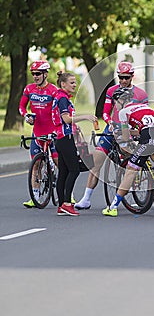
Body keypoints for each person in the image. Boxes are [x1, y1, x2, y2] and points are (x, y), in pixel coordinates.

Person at [75, 61, 148, 210]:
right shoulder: (112, 91)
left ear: (132, 76)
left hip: (130, 130)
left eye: (126, 78)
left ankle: (137, 180)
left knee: (133, 158)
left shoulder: (141, 94)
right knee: (96, 162)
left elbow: (144, 113)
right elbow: (105, 112)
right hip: (112, 128)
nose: (123, 81)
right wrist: (110, 123)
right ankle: (86, 198)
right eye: (120, 77)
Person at [102, 88, 154, 217]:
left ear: (120, 101)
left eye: (116, 102)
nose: (115, 106)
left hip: (148, 135)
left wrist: (120, 134)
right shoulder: (143, 106)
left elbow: (126, 138)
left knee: (131, 170)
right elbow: (142, 129)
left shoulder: (123, 112)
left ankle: (113, 206)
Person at [52, 71, 97, 216]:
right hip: (65, 139)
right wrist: (85, 116)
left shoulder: (61, 97)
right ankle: (66, 203)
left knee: (64, 172)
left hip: (61, 138)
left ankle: (61, 206)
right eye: (71, 82)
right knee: (74, 170)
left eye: (75, 82)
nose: (74, 84)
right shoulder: (63, 98)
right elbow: (65, 119)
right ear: (63, 84)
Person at [19, 60, 59, 208]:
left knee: (58, 162)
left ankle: (68, 194)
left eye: (38, 74)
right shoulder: (29, 89)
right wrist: (26, 116)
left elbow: (59, 111)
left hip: (52, 132)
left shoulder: (53, 90)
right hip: (37, 132)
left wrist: (57, 129)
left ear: (45, 74)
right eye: (33, 74)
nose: (35, 77)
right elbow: (21, 106)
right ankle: (35, 196)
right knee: (36, 164)